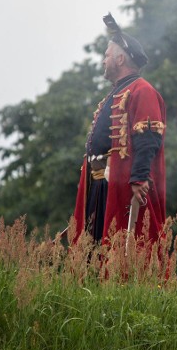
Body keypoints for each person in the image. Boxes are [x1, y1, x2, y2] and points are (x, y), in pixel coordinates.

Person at [68, 14, 166, 245]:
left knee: (122, 246)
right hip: (98, 182)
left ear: (120, 59)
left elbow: (149, 138)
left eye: (107, 55)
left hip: (121, 183)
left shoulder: (142, 90)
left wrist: (140, 177)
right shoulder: (114, 94)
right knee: (91, 247)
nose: (103, 61)